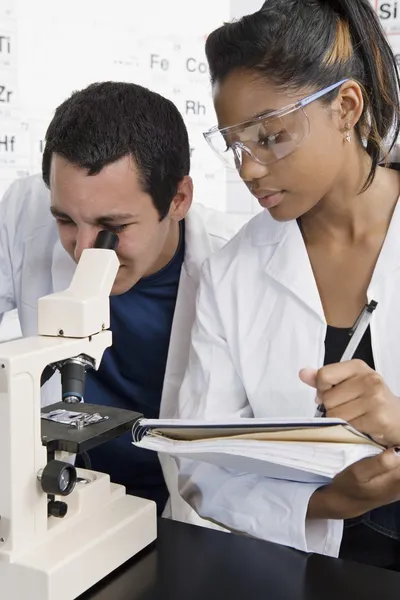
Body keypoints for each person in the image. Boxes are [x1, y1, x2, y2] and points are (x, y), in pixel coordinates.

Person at [176, 0, 400, 570]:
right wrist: (330, 502)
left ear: (345, 107)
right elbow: (205, 468)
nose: (248, 168)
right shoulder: (231, 276)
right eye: (235, 144)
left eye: (271, 137)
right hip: (315, 572)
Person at [0, 81, 240, 523]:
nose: (86, 250)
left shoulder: (232, 266)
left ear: (179, 199)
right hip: (54, 497)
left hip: (176, 507)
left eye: (114, 226)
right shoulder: (22, 212)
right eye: (65, 221)